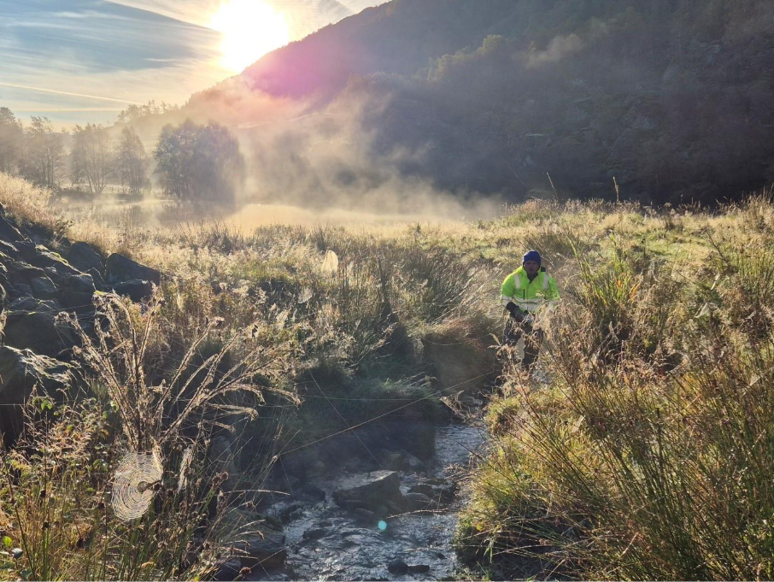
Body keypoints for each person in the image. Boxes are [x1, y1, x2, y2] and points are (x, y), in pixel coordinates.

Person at [500, 250, 560, 373]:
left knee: (531, 354)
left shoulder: (546, 279)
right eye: (528, 263)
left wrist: (544, 316)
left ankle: (526, 376)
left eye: (533, 263)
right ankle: (506, 375)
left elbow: (554, 300)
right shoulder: (513, 278)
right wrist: (516, 312)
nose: (531, 266)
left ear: (538, 265)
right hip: (515, 317)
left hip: (536, 320)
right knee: (506, 348)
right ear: (523, 264)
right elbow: (504, 298)